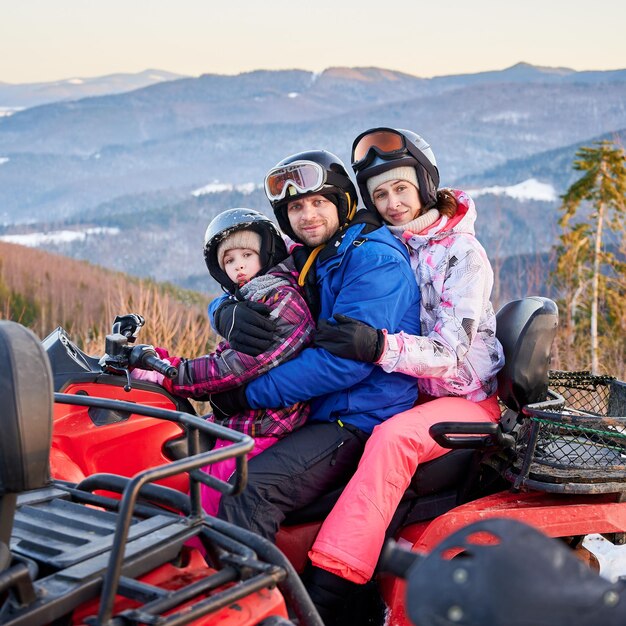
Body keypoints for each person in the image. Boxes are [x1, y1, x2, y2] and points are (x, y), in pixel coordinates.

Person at [306, 127, 505, 614]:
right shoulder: (393, 247)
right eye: (380, 194)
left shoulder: (463, 254)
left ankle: (337, 583)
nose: (393, 203)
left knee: (392, 440)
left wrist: (376, 346)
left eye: (401, 188)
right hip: (416, 390)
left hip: (469, 397)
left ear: (424, 183)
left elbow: (451, 352)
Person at [207, 150, 422, 544]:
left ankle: (249, 598)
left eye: (318, 202)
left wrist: (246, 395)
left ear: (341, 203)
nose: (308, 215)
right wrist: (223, 309)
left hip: (357, 416)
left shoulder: (373, 260)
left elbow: (345, 365)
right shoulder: (314, 255)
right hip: (315, 407)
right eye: (296, 207)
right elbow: (248, 275)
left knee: (250, 491)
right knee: (196, 450)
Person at [133, 208, 314, 516]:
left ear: (266, 253)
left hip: (264, 428)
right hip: (238, 420)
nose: (238, 265)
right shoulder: (249, 299)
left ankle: (203, 561)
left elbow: (230, 368)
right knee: (164, 452)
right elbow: (222, 358)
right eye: (229, 260)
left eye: (246, 254)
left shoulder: (283, 301)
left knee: (208, 502)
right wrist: (162, 359)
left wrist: (169, 374)